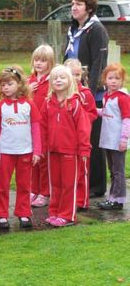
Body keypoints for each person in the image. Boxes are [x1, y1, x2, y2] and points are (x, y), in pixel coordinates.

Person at [64, 0, 109, 198]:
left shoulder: (96, 29)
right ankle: (81, 181)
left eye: (79, 4)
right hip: (72, 91)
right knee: (79, 139)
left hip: (91, 94)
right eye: (73, 3)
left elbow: (98, 64)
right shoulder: (73, 29)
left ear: (89, 8)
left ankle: (97, 186)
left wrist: (88, 95)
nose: (74, 7)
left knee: (93, 139)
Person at [40, 65, 91, 227]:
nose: (58, 80)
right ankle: (54, 211)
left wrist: (84, 149)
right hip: (52, 151)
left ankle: (67, 215)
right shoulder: (48, 103)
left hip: (71, 152)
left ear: (70, 81)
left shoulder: (74, 103)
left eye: (62, 77)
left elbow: (83, 128)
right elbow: (42, 127)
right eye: (55, 78)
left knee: (69, 184)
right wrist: (41, 148)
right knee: (55, 184)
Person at [0, 66, 41, 230]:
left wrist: (37, 150)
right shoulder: (0, 106)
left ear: (19, 84)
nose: (5, 87)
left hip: (25, 151)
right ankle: (1, 214)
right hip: (5, 152)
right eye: (2, 84)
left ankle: (24, 212)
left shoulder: (29, 105)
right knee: (2, 185)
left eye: (9, 83)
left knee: (25, 184)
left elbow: (35, 128)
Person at [64, 59, 98, 211]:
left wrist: (82, 119)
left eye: (78, 74)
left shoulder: (85, 93)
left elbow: (93, 113)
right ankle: (68, 199)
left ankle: (82, 200)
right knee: (68, 173)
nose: (76, 77)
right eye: (72, 74)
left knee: (82, 170)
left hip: (82, 138)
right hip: (66, 139)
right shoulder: (60, 93)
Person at [97, 64, 130, 210]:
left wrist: (124, 139)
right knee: (112, 169)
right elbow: (106, 113)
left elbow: (126, 119)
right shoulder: (107, 96)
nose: (114, 81)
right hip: (108, 139)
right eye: (110, 78)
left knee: (118, 171)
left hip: (117, 141)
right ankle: (112, 197)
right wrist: (92, 110)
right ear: (105, 79)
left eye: (117, 78)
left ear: (122, 80)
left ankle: (118, 200)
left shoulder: (122, 98)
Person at [27, 44, 55, 208]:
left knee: (43, 160)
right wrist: (27, 90)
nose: (39, 63)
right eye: (36, 59)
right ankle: (33, 189)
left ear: (50, 63)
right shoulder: (29, 81)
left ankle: (44, 192)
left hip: (45, 127)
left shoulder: (52, 80)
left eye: (43, 61)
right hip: (29, 127)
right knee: (32, 160)